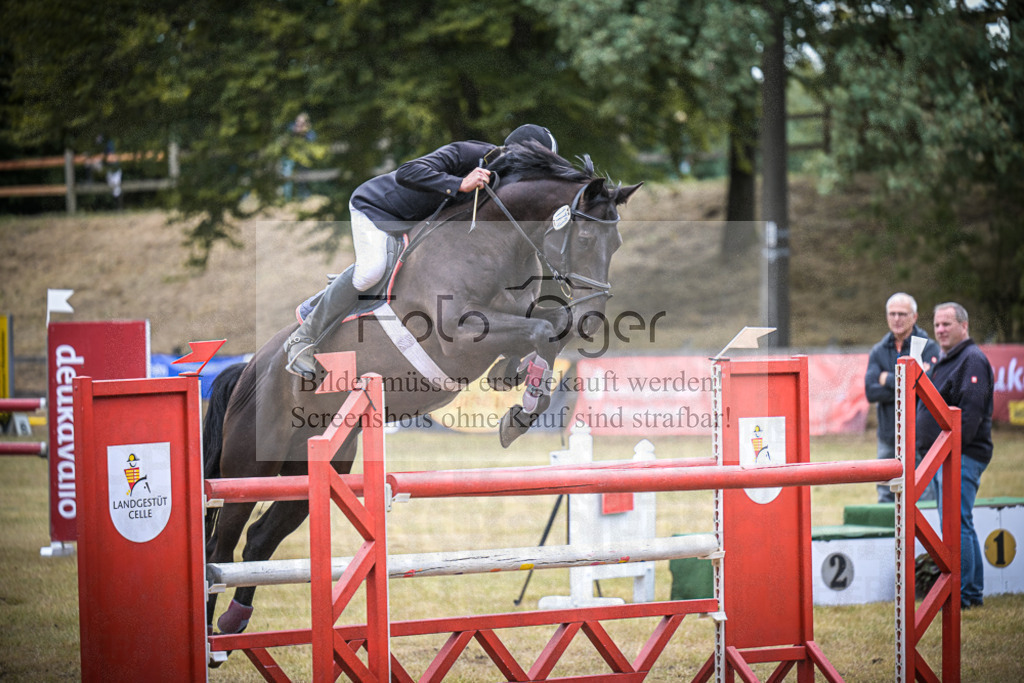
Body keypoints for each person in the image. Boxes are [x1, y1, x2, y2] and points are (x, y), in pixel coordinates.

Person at [284, 124, 559, 377]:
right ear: (517, 154)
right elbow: (408, 172)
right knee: (372, 271)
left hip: (417, 222)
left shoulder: (506, 186)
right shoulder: (469, 153)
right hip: (378, 208)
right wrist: (459, 183)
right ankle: (304, 336)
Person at [915, 302, 994, 609]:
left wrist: (950, 453)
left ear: (964, 326)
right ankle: (968, 591)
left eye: (947, 324)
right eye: (937, 324)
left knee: (956, 524)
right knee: (956, 523)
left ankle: (965, 594)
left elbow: (970, 416)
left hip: (960, 456)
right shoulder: (947, 359)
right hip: (944, 456)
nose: (940, 330)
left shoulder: (972, 360)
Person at [864, 293, 940, 502]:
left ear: (914, 317)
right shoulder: (878, 350)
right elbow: (871, 392)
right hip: (888, 437)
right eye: (892, 314)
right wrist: (910, 381)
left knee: (925, 497)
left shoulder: (929, 347)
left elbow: (928, 390)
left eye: (902, 314)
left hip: (921, 436)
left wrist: (886, 378)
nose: (896, 318)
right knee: (885, 496)